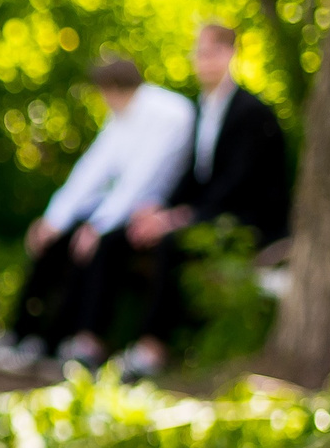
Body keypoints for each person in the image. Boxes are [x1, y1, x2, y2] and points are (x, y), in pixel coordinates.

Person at [0, 55, 195, 376]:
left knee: (97, 246)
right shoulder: (121, 117)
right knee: (56, 241)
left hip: (154, 211)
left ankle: (76, 343)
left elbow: (141, 181)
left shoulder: (170, 113)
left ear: (112, 87)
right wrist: (53, 219)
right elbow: (91, 170)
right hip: (120, 208)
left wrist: (97, 226)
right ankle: (25, 335)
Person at [114, 21, 294, 377]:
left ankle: (151, 350)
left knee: (171, 243)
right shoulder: (198, 111)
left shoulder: (252, 113)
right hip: (211, 212)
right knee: (122, 237)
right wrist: (160, 209)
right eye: (199, 52)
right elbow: (195, 175)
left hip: (249, 222)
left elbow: (238, 186)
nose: (204, 60)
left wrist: (179, 218)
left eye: (212, 52)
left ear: (231, 54)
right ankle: (89, 341)